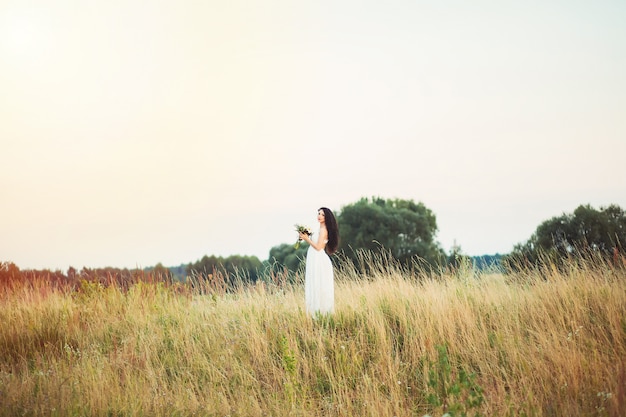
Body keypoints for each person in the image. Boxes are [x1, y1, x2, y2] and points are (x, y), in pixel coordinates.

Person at [298, 207, 339, 315]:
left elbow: (319, 247)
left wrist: (307, 239)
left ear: (327, 218)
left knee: (319, 285)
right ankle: (314, 312)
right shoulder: (319, 229)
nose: (319, 216)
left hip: (318, 259)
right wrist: (305, 237)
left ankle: (320, 313)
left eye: (322, 215)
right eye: (319, 214)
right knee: (313, 284)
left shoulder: (324, 230)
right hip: (313, 257)